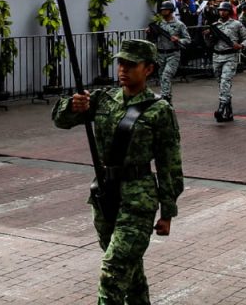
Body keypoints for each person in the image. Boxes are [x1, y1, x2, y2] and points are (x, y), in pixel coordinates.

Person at [51, 39, 182, 305]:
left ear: (148, 69)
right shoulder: (102, 99)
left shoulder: (160, 110)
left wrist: (168, 211)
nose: (123, 69)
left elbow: (170, 163)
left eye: (131, 64)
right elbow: (60, 121)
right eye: (121, 62)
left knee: (113, 272)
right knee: (129, 272)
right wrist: (72, 105)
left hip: (139, 200)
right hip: (105, 195)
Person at [205, 2, 246, 122]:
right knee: (221, 85)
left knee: (225, 82)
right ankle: (229, 112)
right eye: (220, 10)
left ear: (229, 12)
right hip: (217, 56)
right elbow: (208, 44)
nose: (222, 12)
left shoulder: (236, 24)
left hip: (230, 56)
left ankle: (221, 109)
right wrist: (206, 36)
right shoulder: (214, 25)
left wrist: (241, 45)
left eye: (225, 10)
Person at [147, 1, 190, 103]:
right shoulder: (158, 24)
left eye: (165, 9)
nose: (163, 11)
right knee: (162, 76)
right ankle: (167, 98)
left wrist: (178, 40)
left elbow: (188, 39)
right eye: (162, 10)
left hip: (173, 54)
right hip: (161, 54)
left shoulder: (179, 24)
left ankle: (164, 98)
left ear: (170, 11)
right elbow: (152, 39)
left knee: (166, 76)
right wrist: (149, 32)